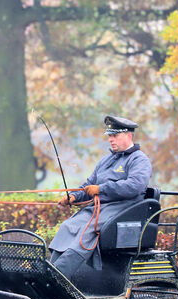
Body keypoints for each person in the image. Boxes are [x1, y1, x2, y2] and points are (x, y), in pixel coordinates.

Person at [49, 115, 152, 278]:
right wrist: (74, 197)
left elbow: (134, 186)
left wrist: (101, 189)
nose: (111, 139)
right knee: (68, 226)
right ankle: (50, 269)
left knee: (86, 230)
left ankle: (58, 275)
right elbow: (89, 184)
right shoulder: (106, 160)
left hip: (122, 210)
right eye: (110, 136)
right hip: (99, 210)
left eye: (115, 135)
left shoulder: (139, 160)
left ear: (128, 135)